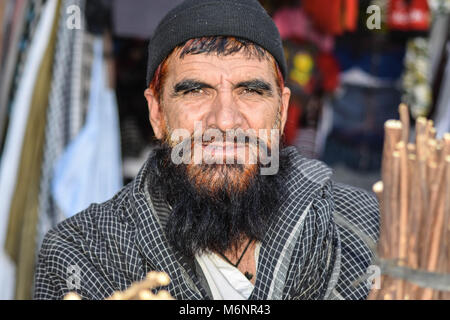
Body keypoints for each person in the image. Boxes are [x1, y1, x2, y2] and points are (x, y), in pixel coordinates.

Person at [34, 0, 379, 300]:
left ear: (282, 111)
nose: (225, 121)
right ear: (157, 113)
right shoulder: (82, 252)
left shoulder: (367, 228)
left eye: (251, 91)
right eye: (196, 91)